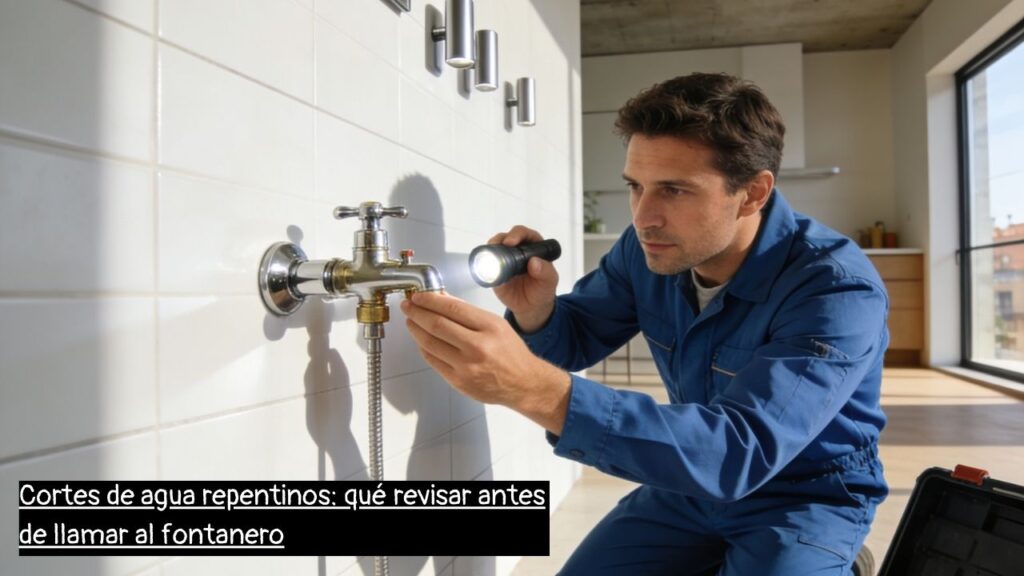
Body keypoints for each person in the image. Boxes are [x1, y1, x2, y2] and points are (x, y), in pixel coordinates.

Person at [400, 72, 889, 575]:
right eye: (636, 187)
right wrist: (535, 309)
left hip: (806, 493)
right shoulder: (648, 251)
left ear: (751, 193)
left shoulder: (835, 289)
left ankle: (837, 564)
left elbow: (741, 450)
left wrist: (538, 391)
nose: (643, 217)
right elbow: (576, 338)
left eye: (674, 190)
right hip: (690, 484)